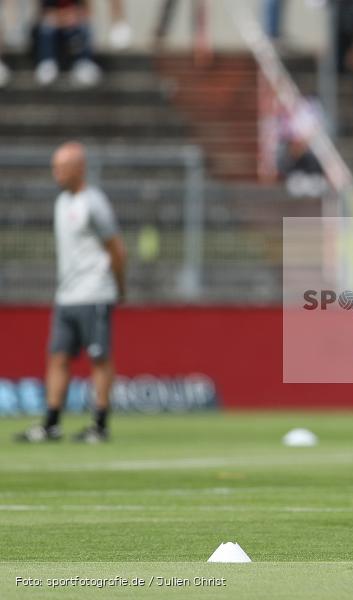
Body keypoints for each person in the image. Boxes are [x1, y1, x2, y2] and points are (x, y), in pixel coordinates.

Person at [16, 142, 127, 444]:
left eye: (62, 168)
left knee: (99, 358)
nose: (57, 174)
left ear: (80, 168)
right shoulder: (61, 203)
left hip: (95, 291)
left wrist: (118, 287)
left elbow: (116, 248)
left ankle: (100, 425)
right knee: (58, 357)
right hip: (66, 295)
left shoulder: (94, 203)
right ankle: (51, 424)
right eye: (55, 168)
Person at [35, 0, 102, 87]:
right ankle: (47, 64)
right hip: (55, 29)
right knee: (46, 27)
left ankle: (83, 62)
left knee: (84, 27)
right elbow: (45, 13)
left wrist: (73, 17)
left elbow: (85, 10)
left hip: (72, 27)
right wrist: (63, 18)